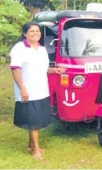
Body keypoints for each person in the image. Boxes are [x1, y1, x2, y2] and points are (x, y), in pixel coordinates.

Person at [10, 22, 65, 160]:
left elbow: (45, 68)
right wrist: (22, 88)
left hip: (41, 89)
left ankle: (30, 145)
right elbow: (15, 69)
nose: (35, 33)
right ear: (25, 34)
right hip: (28, 90)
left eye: (37, 31)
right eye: (32, 31)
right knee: (33, 119)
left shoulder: (42, 49)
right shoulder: (19, 48)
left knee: (35, 118)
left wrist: (55, 70)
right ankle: (36, 149)